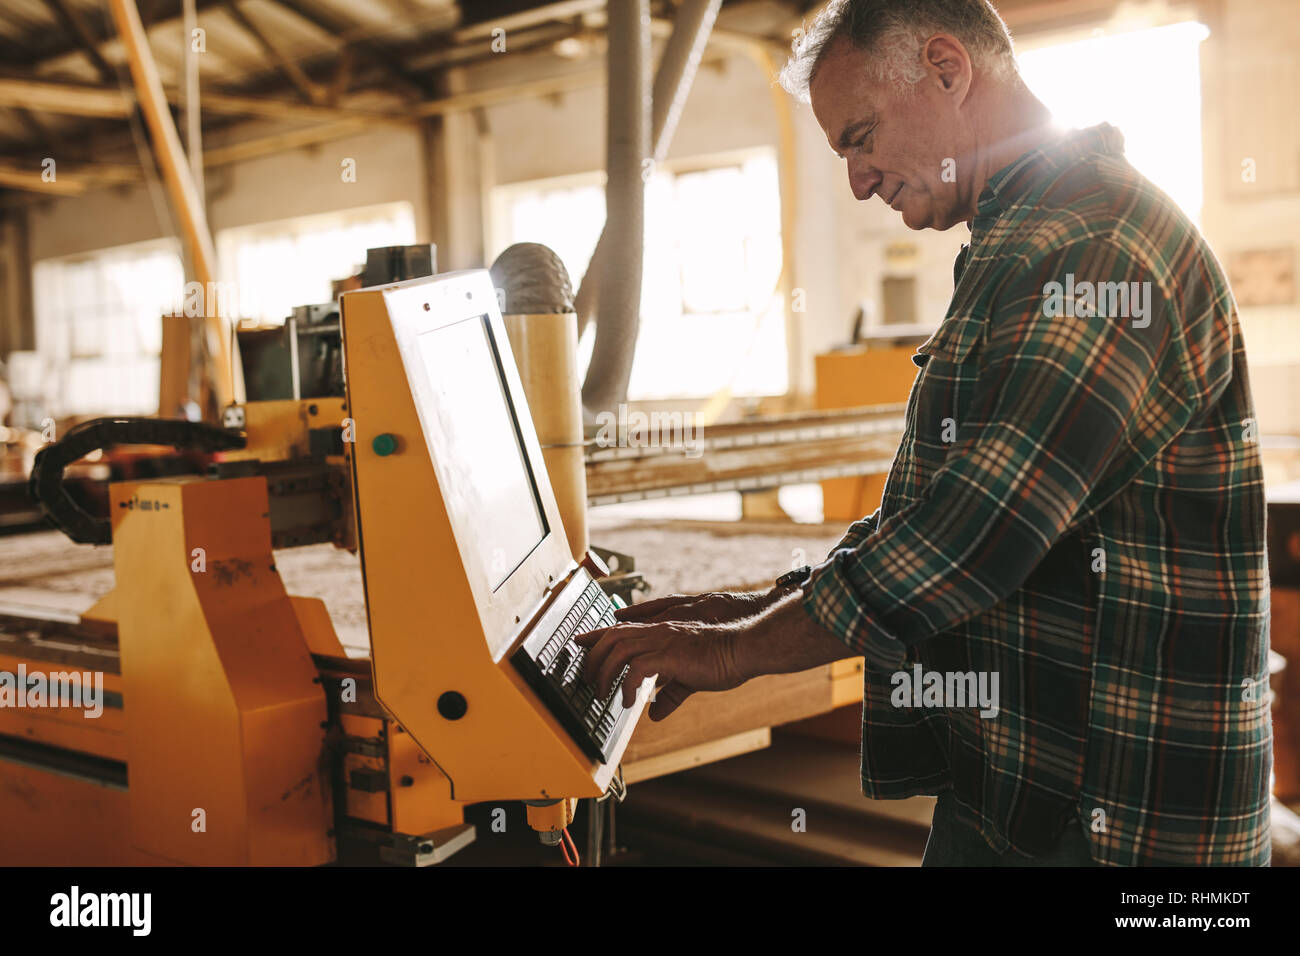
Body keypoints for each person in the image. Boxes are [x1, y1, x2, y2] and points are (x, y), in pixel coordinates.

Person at [577, 0, 1272, 866]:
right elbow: (944, 508)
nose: (859, 181)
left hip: (1123, 816)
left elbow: (975, 537)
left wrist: (738, 654)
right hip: (1024, 787)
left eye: (860, 137)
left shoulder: (1090, 246)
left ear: (948, 69)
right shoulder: (1018, 241)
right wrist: (745, 606)